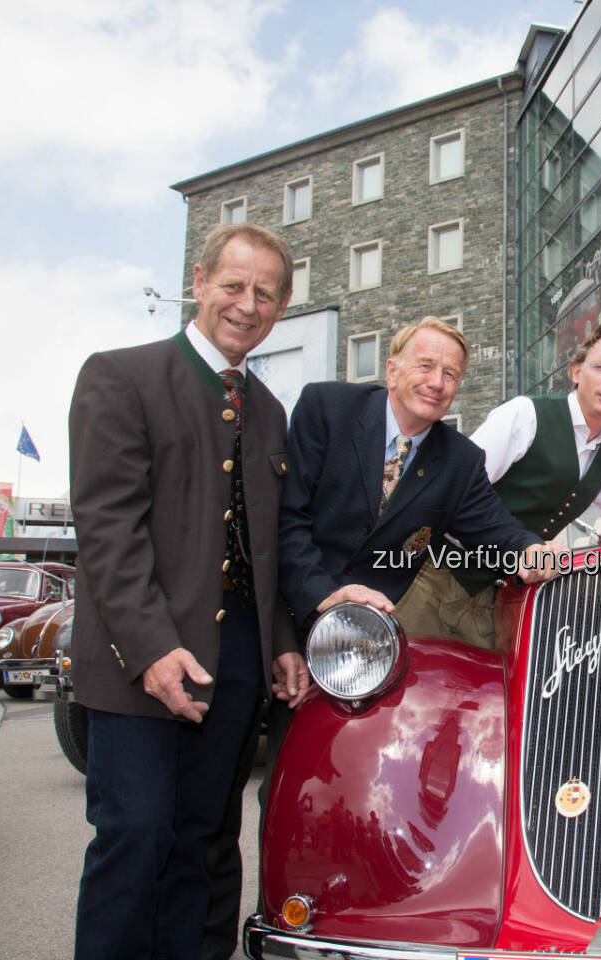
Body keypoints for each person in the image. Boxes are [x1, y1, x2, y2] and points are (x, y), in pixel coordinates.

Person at [69, 222, 311, 960]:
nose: (247, 304)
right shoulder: (120, 375)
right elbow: (109, 531)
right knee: (137, 834)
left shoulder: (269, 410)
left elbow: (264, 549)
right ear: (199, 281)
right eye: (233, 285)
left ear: (282, 306)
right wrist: (151, 648)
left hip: (237, 662)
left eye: (264, 293)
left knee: (203, 842)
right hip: (138, 656)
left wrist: (283, 647)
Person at [395, 321, 601, 648]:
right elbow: (458, 489)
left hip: (506, 599)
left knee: (484, 696)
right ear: (576, 372)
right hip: (436, 578)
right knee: (397, 686)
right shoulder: (525, 414)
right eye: (600, 367)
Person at [279, 317, 560, 644]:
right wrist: (321, 594)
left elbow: (496, 529)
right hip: (290, 613)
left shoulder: (461, 460)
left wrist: (531, 550)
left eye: (450, 374)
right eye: (425, 366)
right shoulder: (326, 408)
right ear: (391, 370)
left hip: (369, 638)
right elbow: (287, 516)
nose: (437, 382)